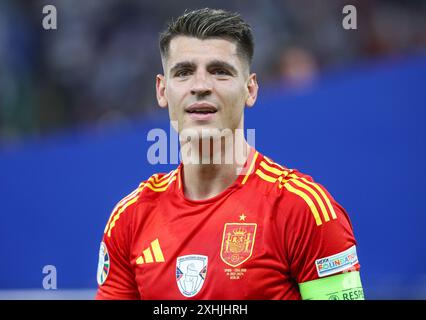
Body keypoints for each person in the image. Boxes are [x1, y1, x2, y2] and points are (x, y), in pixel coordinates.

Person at [95, 8, 364, 300]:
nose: (200, 86)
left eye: (220, 72)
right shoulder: (129, 219)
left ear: (250, 90)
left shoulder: (305, 210)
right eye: (184, 72)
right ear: (162, 90)